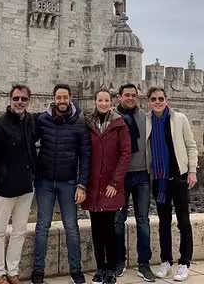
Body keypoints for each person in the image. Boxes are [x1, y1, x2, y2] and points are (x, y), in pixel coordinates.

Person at [32, 84, 91, 284]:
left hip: (69, 183)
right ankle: (38, 271)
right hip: (45, 182)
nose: (62, 101)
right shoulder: (42, 120)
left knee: (71, 227)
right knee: (42, 226)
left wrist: (82, 185)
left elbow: (85, 156)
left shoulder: (79, 123)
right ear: (54, 99)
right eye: (59, 97)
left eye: (65, 97)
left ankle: (76, 270)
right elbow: (26, 140)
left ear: (70, 98)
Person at [0, 84, 38, 284]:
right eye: (16, 99)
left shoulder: (30, 122)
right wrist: (1, 172)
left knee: (20, 231)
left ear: (29, 101)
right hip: (5, 187)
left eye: (23, 99)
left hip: (26, 186)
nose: (19, 102)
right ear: (10, 100)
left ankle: (12, 271)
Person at [146, 87, 197, 282]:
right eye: (154, 99)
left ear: (166, 100)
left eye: (161, 98)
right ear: (149, 101)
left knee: (184, 222)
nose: (157, 102)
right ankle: (166, 261)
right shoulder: (147, 121)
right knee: (164, 223)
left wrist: (192, 170)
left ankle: (184, 263)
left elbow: (191, 145)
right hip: (158, 179)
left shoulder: (179, 119)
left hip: (179, 177)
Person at [83, 89, 131, 284]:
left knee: (109, 228)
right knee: (96, 229)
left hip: (111, 185)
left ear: (111, 102)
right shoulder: (88, 123)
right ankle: (100, 268)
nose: (103, 103)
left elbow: (125, 154)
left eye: (106, 100)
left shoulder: (120, 124)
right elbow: (84, 152)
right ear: (95, 102)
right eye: (99, 100)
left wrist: (115, 182)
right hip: (93, 185)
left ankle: (111, 269)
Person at [114, 84, 154, 282]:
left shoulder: (145, 118)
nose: (130, 98)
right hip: (120, 177)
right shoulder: (112, 118)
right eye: (126, 95)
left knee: (143, 220)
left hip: (142, 176)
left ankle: (144, 264)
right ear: (119, 97)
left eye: (133, 95)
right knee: (118, 222)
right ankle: (119, 262)